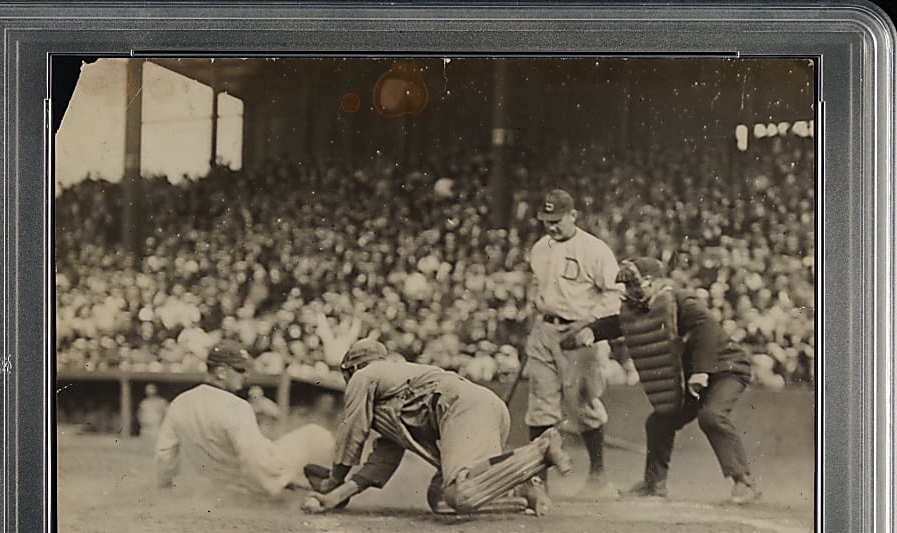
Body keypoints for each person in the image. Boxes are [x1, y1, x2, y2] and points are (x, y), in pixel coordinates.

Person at [565, 257, 760, 504]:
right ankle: (653, 485)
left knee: (712, 416)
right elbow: (617, 324)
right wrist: (592, 331)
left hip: (725, 368)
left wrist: (702, 371)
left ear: (654, 282)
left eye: (635, 285)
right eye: (627, 287)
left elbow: (707, 330)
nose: (630, 292)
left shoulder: (682, 300)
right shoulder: (641, 310)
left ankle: (744, 482)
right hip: (692, 377)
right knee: (659, 424)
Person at [302, 339, 571, 515]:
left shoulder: (365, 375)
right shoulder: (393, 387)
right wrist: (336, 496)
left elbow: (352, 432)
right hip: (479, 404)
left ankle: (539, 451)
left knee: (462, 493)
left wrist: (333, 481)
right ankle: (522, 489)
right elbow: (381, 461)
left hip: (459, 407)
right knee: (442, 499)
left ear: (354, 368)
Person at [524, 188, 623, 495]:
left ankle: (598, 477)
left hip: (583, 335)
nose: (552, 226)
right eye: (546, 220)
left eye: (557, 220)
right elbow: (539, 287)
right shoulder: (540, 248)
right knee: (541, 404)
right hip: (546, 330)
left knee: (583, 405)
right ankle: (539, 482)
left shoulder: (595, 250)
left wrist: (588, 324)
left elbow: (615, 294)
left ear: (573, 216)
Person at [153, 340, 334, 498]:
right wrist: (273, 491)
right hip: (247, 483)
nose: (245, 375)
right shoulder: (236, 406)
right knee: (316, 434)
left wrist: (165, 487)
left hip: (215, 488)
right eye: (240, 369)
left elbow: (164, 454)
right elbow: (253, 459)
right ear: (222, 372)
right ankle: (332, 491)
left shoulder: (180, 402)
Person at [136, 382, 169, 447]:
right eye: (149, 392)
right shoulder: (144, 402)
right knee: (145, 448)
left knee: (156, 448)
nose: (150, 394)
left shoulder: (161, 401)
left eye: (152, 392)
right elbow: (139, 414)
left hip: (156, 429)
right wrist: (142, 422)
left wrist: (163, 424)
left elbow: (168, 413)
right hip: (145, 429)